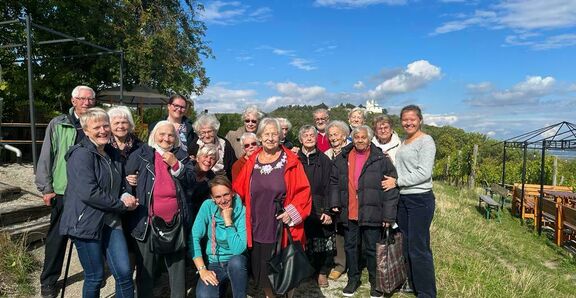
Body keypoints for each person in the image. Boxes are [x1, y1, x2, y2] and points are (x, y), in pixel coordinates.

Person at [59, 108, 138, 298]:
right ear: (85, 131)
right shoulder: (81, 155)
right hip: (86, 222)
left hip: (111, 221)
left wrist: (126, 192)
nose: (103, 130)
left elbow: (118, 182)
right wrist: (121, 206)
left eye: (105, 126)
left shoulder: (112, 153)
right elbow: (89, 192)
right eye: (97, 127)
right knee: (95, 276)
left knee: (125, 273)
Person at [232, 117, 311, 298]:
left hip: (282, 225)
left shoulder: (291, 161)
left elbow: (304, 192)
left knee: (287, 268)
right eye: (266, 134)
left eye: (274, 134)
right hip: (258, 222)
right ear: (259, 136)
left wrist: (290, 212)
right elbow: (238, 189)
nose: (270, 138)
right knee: (264, 270)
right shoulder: (252, 161)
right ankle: (270, 296)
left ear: (280, 136)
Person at [35, 85, 97, 298]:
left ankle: (95, 275)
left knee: (92, 236)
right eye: (82, 99)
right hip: (63, 190)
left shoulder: (98, 123)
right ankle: (49, 280)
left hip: (90, 190)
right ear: (73, 101)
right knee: (57, 238)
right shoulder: (59, 123)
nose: (86, 103)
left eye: (90, 99)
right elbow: (46, 156)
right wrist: (47, 187)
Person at [125, 120, 194, 298]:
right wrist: (129, 181)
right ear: (154, 135)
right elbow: (125, 178)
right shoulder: (141, 154)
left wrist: (176, 165)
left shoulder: (182, 155)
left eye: (171, 135)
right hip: (146, 220)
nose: (166, 138)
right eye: (162, 134)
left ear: (176, 138)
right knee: (146, 270)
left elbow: (192, 182)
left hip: (175, 221)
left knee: (177, 270)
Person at [330, 125, 399, 298]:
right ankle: (353, 279)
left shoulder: (381, 159)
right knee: (351, 247)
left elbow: (390, 189)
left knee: (372, 249)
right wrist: (335, 203)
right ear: (353, 139)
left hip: (372, 212)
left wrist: (388, 215)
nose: (360, 140)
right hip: (350, 211)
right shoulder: (342, 157)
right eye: (357, 137)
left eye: (363, 137)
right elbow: (333, 182)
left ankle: (375, 282)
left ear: (369, 139)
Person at [382, 105, 437, 298]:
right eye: (405, 119)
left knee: (419, 247)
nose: (408, 122)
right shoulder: (404, 142)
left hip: (420, 199)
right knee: (406, 244)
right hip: (404, 199)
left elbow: (424, 173)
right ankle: (412, 283)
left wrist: (397, 181)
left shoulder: (426, 141)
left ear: (420, 120)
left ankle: (426, 292)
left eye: (412, 119)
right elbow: (403, 168)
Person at [190, 176, 248, 298]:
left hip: (236, 262)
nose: (223, 200)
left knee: (236, 262)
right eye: (217, 197)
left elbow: (238, 249)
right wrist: (202, 270)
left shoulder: (242, 210)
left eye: (226, 194)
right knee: (204, 295)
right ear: (212, 198)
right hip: (215, 263)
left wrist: (228, 221)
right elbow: (194, 236)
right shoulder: (207, 206)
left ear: (232, 193)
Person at [296, 125, 334, 288]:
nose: (309, 138)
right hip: (300, 206)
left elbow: (330, 185)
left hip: (319, 205)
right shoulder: (294, 159)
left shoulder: (324, 160)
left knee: (322, 241)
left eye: (312, 135)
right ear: (300, 139)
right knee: (304, 240)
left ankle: (322, 272)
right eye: (306, 135)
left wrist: (327, 210)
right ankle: (306, 270)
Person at [323, 120, 350, 281]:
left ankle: (351, 265)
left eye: (336, 134)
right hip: (332, 199)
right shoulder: (327, 154)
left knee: (348, 232)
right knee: (338, 232)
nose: (333, 138)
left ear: (344, 135)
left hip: (347, 198)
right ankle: (339, 263)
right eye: (330, 135)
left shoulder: (350, 152)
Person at [188, 113, 236, 181]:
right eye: (203, 132)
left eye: (210, 131)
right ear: (198, 133)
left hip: (222, 181)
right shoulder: (194, 145)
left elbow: (233, 166)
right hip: (201, 182)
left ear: (215, 130)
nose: (207, 135)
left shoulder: (224, 144)